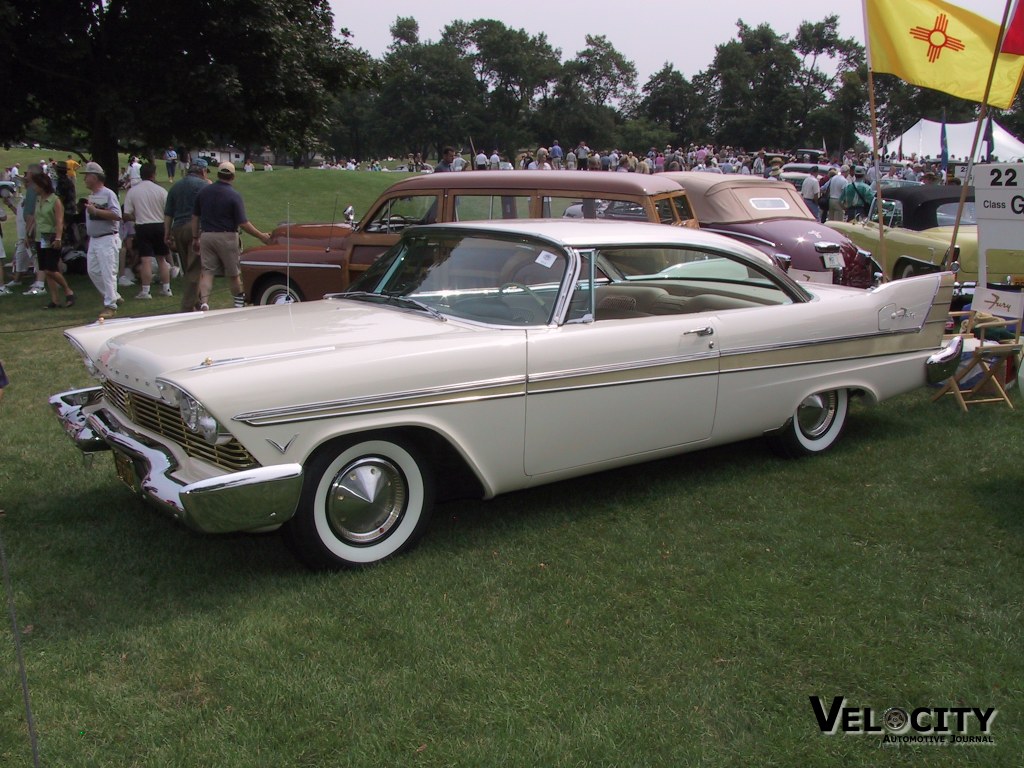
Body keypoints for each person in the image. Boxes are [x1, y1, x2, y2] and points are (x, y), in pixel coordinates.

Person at [192, 161, 271, 310]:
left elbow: (195, 216)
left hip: (207, 236)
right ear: (233, 176)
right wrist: (261, 236)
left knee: (207, 273)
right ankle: (238, 303)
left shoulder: (204, 192)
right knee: (233, 273)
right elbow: (243, 223)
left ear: (218, 174)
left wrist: (195, 238)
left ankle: (204, 303)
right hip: (227, 237)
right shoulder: (234, 195)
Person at [164, 158, 210, 312]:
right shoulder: (204, 186)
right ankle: (187, 307)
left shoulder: (176, 187)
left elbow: (168, 214)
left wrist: (167, 233)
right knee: (195, 270)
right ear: (203, 171)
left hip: (178, 229)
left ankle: (196, 303)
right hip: (196, 229)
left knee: (187, 268)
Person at [25, 170, 75, 308]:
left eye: (36, 185)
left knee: (50, 269)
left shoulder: (55, 200)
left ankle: (68, 290)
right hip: (39, 236)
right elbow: (36, 218)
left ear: (43, 185)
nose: (34, 187)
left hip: (51, 236)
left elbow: (59, 221)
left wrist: (58, 237)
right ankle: (55, 300)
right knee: (45, 269)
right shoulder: (38, 199)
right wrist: (28, 234)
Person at [124, 162, 172, 298]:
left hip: (143, 225)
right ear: (154, 174)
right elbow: (167, 211)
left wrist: (136, 216)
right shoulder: (161, 191)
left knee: (146, 260)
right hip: (159, 225)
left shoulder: (133, 191)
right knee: (162, 259)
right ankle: (166, 288)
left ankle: (146, 290)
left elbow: (127, 214)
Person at [82, 161, 123, 318]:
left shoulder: (108, 194)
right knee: (93, 271)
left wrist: (96, 212)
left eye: (87, 176)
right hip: (94, 239)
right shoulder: (93, 196)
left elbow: (117, 215)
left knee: (108, 271)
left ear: (94, 177)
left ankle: (110, 305)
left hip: (107, 238)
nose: (84, 179)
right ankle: (113, 295)